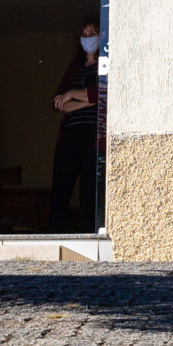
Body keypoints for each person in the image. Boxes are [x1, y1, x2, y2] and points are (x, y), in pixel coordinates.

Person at [48, 20, 101, 231]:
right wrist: (88, 101)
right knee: (61, 189)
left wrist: (71, 94)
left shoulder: (105, 65)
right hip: (69, 135)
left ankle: (91, 235)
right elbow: (58, 102)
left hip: (93, 136)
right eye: (84, 35)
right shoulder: (74, 68)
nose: (88, 39)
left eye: (93, 33)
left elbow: (104, 92)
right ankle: (55, 235)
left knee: (91, 189)